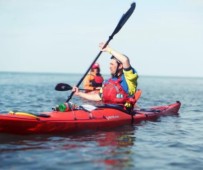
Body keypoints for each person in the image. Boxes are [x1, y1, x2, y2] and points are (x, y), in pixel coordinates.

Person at [72, 42, 139, 111]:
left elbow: (125, 60)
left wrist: (108, 49)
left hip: (123, 111)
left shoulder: (129, 78)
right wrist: (79, 93)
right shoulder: (108, 82)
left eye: (112, 64)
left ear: (120, 66)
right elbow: (98, 97)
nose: (109, 67)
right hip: (106, 109)